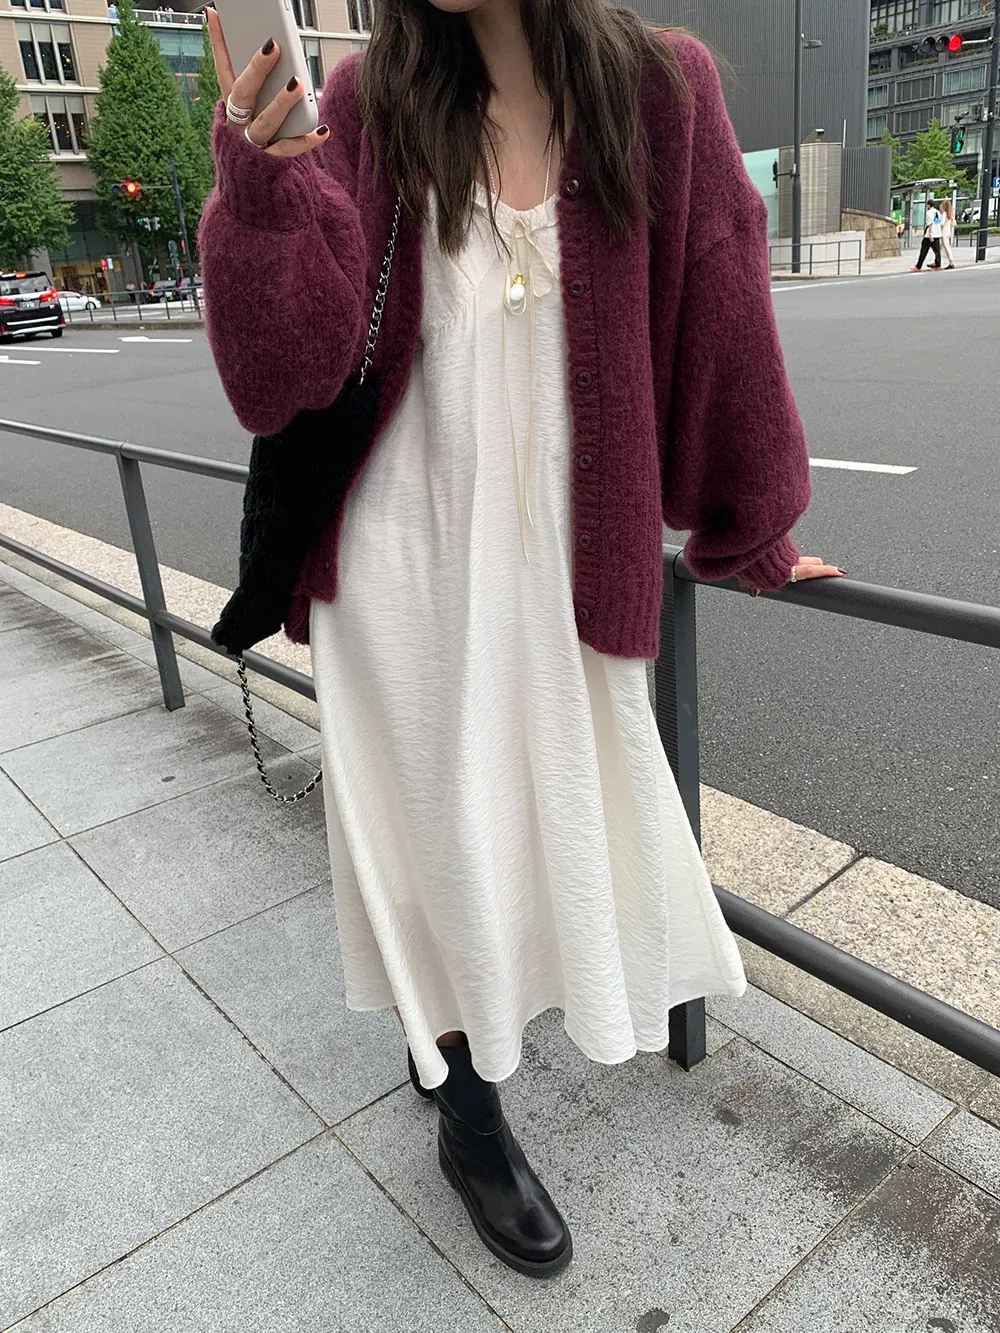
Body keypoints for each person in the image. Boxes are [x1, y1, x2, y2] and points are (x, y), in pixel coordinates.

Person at [199, 0, 844, 1279]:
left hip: (566, 567)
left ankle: (451, 1040)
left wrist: (752, 522)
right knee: (430, 844)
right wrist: (260, 196)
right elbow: (282, 381)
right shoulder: (367, 106)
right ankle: (470, 1115)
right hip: (393, 566)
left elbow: (720, 308)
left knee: (554, 828)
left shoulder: (662, 90)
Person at [912, 199, 943, 271]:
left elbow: (930, 224)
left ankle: (918, 266)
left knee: (923, 250)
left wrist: (930, 234)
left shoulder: (929, 213)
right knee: (937, 251)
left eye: (927, 205)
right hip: (937, 233)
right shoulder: (938, 212)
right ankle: (938, 264)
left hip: (929, 235)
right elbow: (938, 223)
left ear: (929, 205)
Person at [939, 198, 958, 269]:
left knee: (946, 246)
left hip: (943, 232)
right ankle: (946, 261)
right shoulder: (950, 214)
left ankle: (951, 261)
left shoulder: (944, 213)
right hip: (948, 231)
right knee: (944, 246)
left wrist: (940, 230)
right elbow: (954, 224)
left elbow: (942, 223)